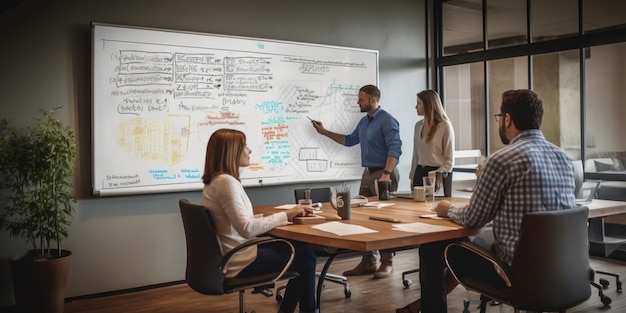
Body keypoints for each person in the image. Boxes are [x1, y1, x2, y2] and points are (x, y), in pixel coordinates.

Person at [397, 89, 576, 313]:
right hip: (562, 268)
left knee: (432, 249)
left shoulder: (502, 159)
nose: (499, 122)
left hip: (513, 271)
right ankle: (417, 307)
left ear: (508, 119)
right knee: (478, 240)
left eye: (500, 117)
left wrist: (447, 209)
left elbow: (473, 218)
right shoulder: (565, 158)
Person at [201, 128, 319, 313]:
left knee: (303, 251)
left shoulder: (215, 181)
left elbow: (238, 222)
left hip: (233, 253)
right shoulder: (226, 182)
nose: (249, 151)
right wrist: (287, 214)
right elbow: (247, 229)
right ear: (232, 151)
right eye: (245, 146)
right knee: (306, 257)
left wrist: (285, 216)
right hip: (238, 260)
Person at [311, 84, 402, 279]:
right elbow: (350, 140)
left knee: (383, 221)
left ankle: (387, 263)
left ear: (372, 100)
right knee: (363, 217)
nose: (357, 102)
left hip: (384, 172)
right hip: (368, 173)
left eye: (361, 99)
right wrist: (324, 132)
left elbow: (395, 148)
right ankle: (369, 261)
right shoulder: (364, 122)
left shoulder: (387, 120)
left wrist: (386, 173)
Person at [409, 89, 455, 188]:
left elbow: (449, 160)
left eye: (419, 103)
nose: (416, 107)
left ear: (428, 105)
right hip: (419, 172)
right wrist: (412, 177)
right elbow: (415, 155)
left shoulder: (445, 126)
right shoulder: (418, 125)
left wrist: (436, 175)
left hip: (436, 174)